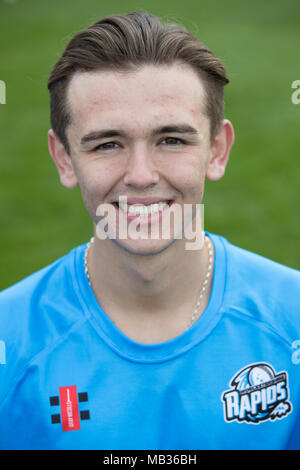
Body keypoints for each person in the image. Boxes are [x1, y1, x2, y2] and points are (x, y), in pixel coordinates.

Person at [0, 11, 299, 451]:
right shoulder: (11, 340)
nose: (141, 175)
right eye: (108, 144)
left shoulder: (291, 323)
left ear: (217, 150)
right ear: (64, 158)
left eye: (172, 140)